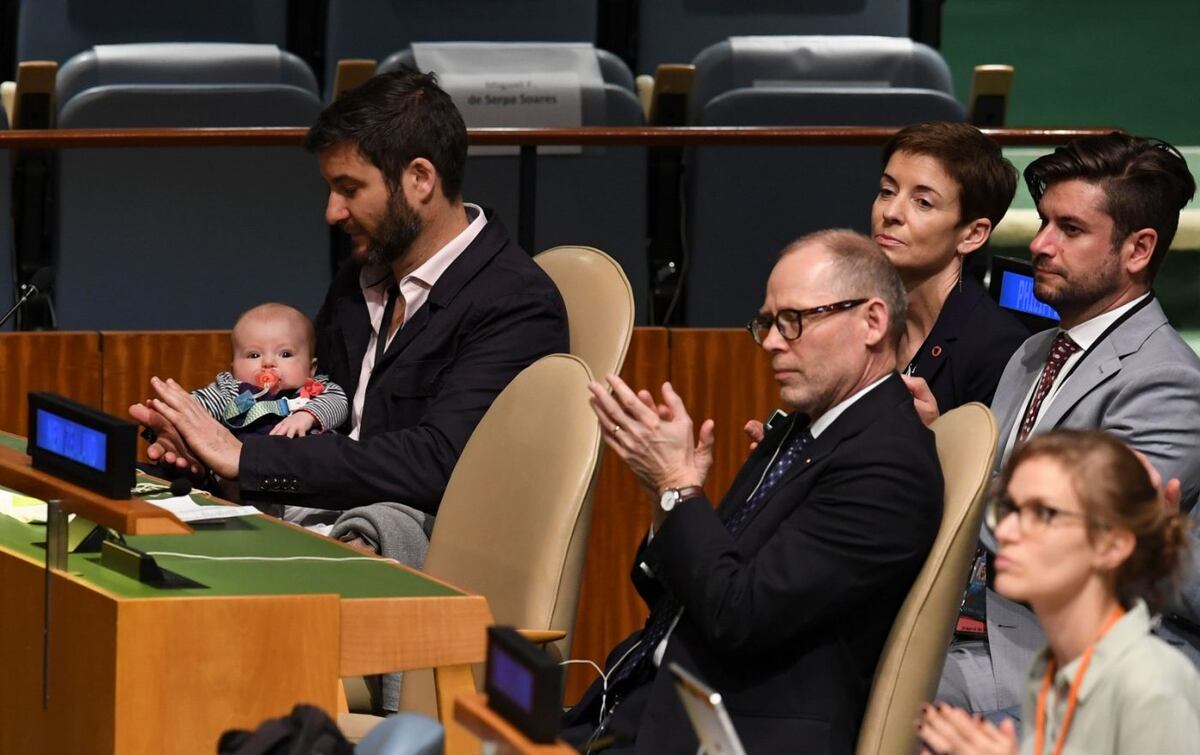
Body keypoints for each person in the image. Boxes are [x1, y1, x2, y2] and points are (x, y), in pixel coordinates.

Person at [130, 67, 567, 552]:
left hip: (396, 545)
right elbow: (314, 403)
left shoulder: (516, 303)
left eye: (350, 188)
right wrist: (208, 448)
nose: (332, 212)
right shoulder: (362, 275)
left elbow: (439, 462)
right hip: (306, 518)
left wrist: (247, 458)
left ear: (420, 178)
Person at [563, 229, 943, 755]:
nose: (769, 341)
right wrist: (665, 496)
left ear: (872, 322)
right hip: (644, 702)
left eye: (794, 321)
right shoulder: (803, 430)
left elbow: (736, 617)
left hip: (731, 733)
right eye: (767, 322)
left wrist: (679, 487)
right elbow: (689, 596)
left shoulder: (887, 468)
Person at [905, 132, 1200, 719]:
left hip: (1052, 651)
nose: (1039, 244)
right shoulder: (1036, 351)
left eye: (1069, 229)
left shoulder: (1168, 382)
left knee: (879, 697)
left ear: (1138, 250)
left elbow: (1072, 541)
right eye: (1043, 223)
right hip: (966, 616)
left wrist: (940, 465)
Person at [917, 430, 1200, 755]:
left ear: (1114, 544)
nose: (1005, 532)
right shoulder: (1054, 665)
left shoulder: (1152, 688)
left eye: (1044, 514)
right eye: (1008, 510)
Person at [873, 122, 1029, 410]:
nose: (891, 212)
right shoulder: (862, 317)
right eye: (887, 191)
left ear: (972, 235)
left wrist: (936, 436)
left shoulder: (998, 350)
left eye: (922, 202)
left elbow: (999, 457)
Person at [188, 302, 348, 439]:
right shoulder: (233, 393)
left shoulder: (315, 391)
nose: (268, 362)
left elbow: (339, 404)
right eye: (254, 355)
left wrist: (307, 416)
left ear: (311, 368)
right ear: (234, 368)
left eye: (285, 354)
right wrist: (177, 410)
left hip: (304, 465)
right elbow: (198, 405)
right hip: (243, 464)